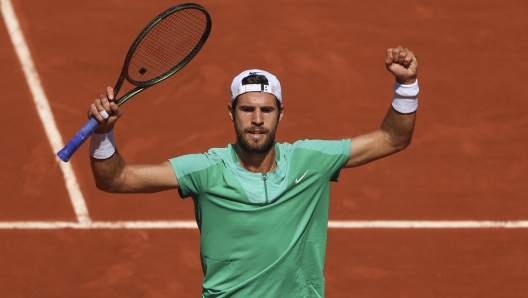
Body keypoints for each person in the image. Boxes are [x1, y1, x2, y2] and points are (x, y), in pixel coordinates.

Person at [87, 46, 419, 297]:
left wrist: (406, 85)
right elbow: (116, 179)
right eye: (247, 109)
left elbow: (392, 138)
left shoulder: (310, 161)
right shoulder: (207, 169)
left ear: (280, 114)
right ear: (231, 113)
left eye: (266, 109)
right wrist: (102, 134)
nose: (257, 119)